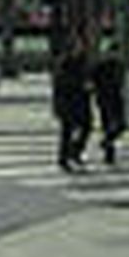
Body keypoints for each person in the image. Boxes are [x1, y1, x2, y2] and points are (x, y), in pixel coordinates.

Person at [52, 37, 92, 172]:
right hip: (67, 101)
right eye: (78, 46)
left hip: (81, 101)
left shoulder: (83, 61)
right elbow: (61, 83)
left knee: (86, 127)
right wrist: (81, 84)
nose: (80, 49)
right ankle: (64, 158)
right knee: (67, 131)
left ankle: (75, 152)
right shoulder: (64, 62)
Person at [91, 45, 128, 166]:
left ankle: (106, 142)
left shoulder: (119, 65)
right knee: (108, 125)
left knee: (120, 125)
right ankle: (109, 154)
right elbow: (94, 80)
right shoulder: (101, 66)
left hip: (116, 97)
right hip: (104, 98)